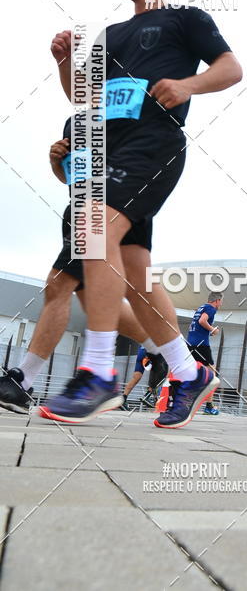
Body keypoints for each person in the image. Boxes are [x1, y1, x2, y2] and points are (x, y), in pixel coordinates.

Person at [43, 0, 242, 426]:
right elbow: (83, 96)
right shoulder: (110, 35)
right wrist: (66, 61)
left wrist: (189, 86)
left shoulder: (184, 19)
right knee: (133, 271)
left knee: (95, 229)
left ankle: (97, 371)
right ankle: (187, 372)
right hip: (109, 151)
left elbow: (230, 68)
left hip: (153, 144)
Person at [0, 133, 156, 414]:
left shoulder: (130, 107)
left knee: (58, 284)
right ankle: (163, 350)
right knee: (92, 301)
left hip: (107, 209)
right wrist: (57, 163)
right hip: (79, 208)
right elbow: (74, 176)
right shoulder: (78, 120)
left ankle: (24, 380)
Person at [187, 292, 223, 415]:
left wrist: (209, 331)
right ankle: (208, 406)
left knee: (191, 373)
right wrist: (212, 329)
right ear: (217, 300)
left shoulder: (202, 307)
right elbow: (202, 321)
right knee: (211, 375)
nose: (221, 304)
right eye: (221, 301)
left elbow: (198, 324)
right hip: (201, 345)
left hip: (191, 343)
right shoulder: (211, 308)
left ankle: (178, 400)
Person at [121, 345, 168, 409]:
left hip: (142, 350)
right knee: (162, 373)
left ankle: (123, 399)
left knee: (136, 377)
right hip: (152, 350)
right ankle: (147, 396)